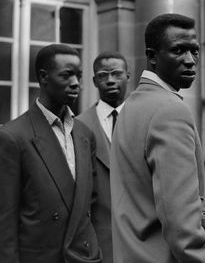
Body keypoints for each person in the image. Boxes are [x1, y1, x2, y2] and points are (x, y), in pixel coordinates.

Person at [110, 13, 205, 263]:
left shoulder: (132, 105)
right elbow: (182, 224)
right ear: (152, 57)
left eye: (194, 51)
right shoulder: (169, 111)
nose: (190, 61)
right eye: (179, 50)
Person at [0, 44, 102, 263]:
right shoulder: (11, 137)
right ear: (44, 77)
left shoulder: (85, 134)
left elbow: (89, 206)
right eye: (67, 75)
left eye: (79, 75)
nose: (76, 83)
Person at [75, 51, 130, 263]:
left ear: (128, 75)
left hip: (143, 238)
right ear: (94, 80)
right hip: (98, 240)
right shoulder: (78, 126)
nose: (110, 80)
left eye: (116, 74)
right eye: (103, 75)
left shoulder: (145, 121)